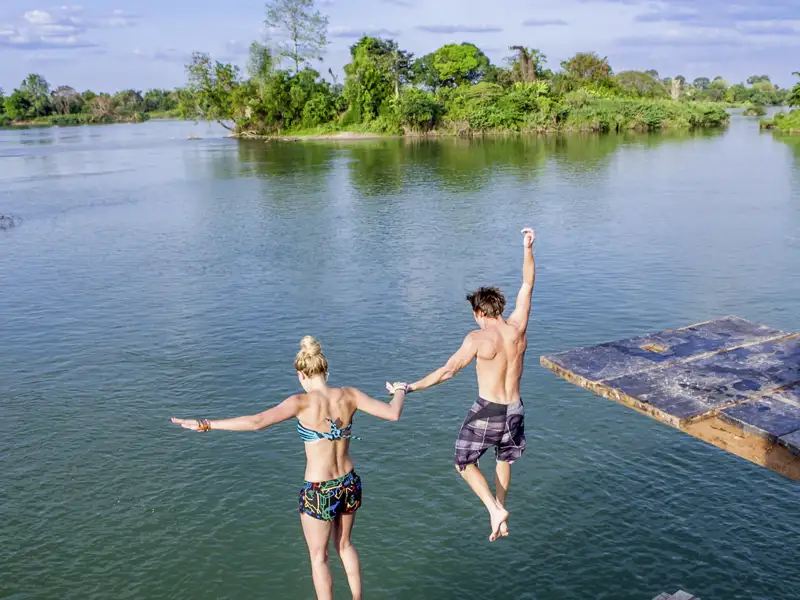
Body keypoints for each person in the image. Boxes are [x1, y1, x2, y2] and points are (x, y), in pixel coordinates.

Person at [171, 336, 408, 600]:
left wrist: (207, 424)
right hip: (348, 483)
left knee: (319, 557)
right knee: (344, 545)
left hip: (318, 490)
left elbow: (256, 422)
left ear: (301, 374)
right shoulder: (350, 395)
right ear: (326, 370)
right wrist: (400, 389)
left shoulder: (300, 403)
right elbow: (393, 413)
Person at [402, 227, 535, 542]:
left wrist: (411, 387)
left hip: (489, 409)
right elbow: (528, 283)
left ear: (479, 312)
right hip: (515, 408)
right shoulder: (518, 327)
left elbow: (447, 371)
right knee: (504, 458)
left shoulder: (478, 338)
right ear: (499, 307)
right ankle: (500, 511)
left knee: (463, 462)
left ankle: (493, 509)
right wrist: (528, 248)